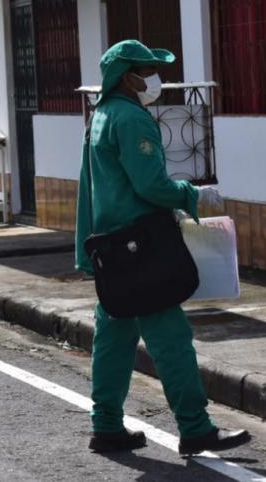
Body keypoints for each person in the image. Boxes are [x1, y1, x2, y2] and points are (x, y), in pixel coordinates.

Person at [75, 40, 251, 457]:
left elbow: (87, 189)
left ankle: (106, 427)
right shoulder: (132, 119)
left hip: (111, 248)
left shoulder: (100, 116)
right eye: (146, 69)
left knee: (113, 339)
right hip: (143, 248)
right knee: (171, 338)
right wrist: (192, 195)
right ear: (128, 76)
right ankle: (195, 428)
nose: (154, 78)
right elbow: (151, 185)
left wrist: (87, 253)